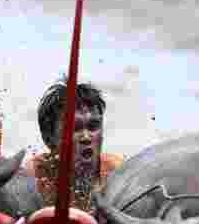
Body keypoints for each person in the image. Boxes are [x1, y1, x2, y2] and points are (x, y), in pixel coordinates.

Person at [20, 79, 124, 212]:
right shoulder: (32, 177)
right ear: (48, 138)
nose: (86, 137)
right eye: (74, 128)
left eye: (93, 127)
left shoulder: (117, 174)